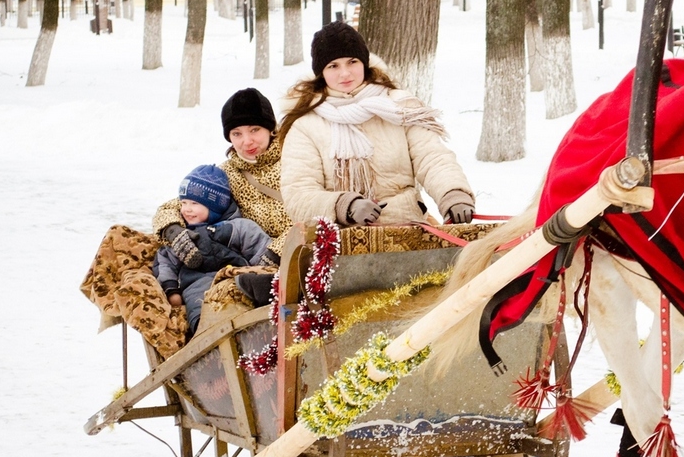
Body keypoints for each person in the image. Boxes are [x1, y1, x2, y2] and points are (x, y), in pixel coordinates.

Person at [277, 21, 475, 227]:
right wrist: (345, 205)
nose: (345, 73)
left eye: (352, 62)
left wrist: (453, 194)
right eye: (333, 66)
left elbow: (432, 157)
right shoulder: (305, 125)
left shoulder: (399, 107)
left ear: (364, 62)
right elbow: (298, 193)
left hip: (408, 226)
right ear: (321, 72)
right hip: (341, 238)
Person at [152, 88, 292, 307]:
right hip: (246, 259)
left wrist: (277, 253)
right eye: (237, 133)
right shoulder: (225, 175)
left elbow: (314, 213)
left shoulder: (296, 161)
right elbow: (172, 207)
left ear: (270, 128)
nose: (247, 141)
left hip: (291, 255)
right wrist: (174, 231)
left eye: (254, 129)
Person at [153, 165, 272, 332]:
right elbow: (165, 261)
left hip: (235, 282)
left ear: (216, 206)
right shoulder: (183, 236)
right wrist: (172, 289)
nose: (186, 209)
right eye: (183, 203)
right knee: (199, 303)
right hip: (198, 289)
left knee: (242, 286)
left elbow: (260, 248)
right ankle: (204, 330)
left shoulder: (238, 228)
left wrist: (265, 270)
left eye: (194, 203)